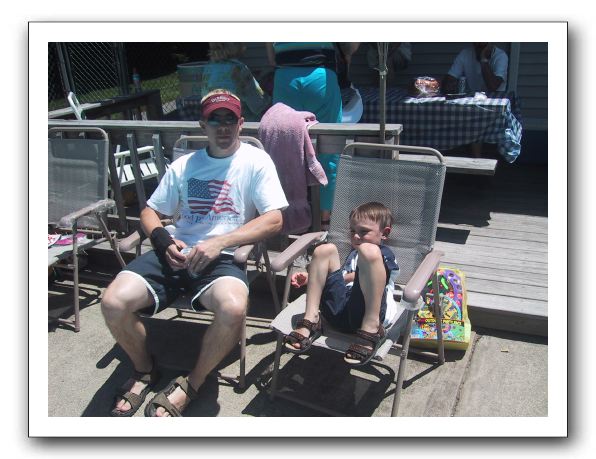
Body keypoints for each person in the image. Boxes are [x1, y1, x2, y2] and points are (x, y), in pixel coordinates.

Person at [101, 89, 288, 417]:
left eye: (230, 118)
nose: (223, 126)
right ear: (203, 125)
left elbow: (275, 219)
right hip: (174, 251)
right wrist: (161, 240)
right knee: (112, 302)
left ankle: (193, 382)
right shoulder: (185, 165)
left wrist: (221, 242)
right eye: (215, 119)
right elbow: (149, 212)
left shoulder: (256, 161)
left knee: (233, 308)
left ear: (241, 123)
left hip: (222, 258)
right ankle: (145, 370)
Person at [283, 201, 399, 366]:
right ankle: (312, 317)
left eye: (364, 231)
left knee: (369, 251)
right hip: (337, 313)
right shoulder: (353, 254)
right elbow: (341, 278)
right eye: (353, 231)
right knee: (325, 249)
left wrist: (357, 270)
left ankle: (372, 327)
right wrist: (314, 278)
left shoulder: (382, 254)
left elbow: (377, 278)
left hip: (366, 315)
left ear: (384, 233)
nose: (356, 236)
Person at [265, 42, 360, 230]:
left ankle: (289, 219)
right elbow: (350, 47)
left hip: (285, 77)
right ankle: (325, 223)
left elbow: (271, 58)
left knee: (285, 149)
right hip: (320, 77)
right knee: (328, 151)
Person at [199, 43, 271, 121]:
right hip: (238, 122)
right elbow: (258, 103)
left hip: (214, 119)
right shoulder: (239, 69)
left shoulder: (208, 68)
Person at [443, 42, 509, 93]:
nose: (480, 48)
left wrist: (484, 60)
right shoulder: (465, 53)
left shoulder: (501, 56)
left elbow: (493, 86)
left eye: (483, 46)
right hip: (473, 101)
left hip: (495, 102)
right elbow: (448, 82)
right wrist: (451, 84)